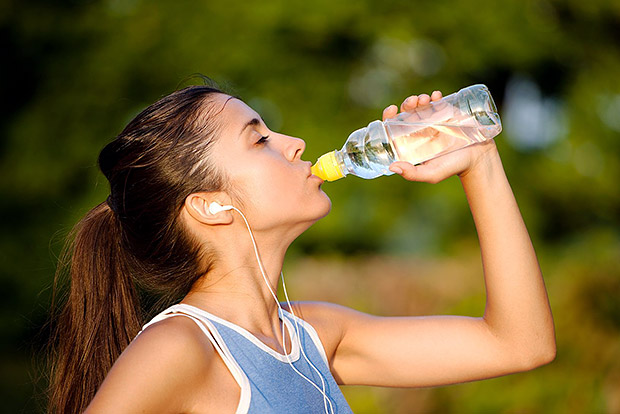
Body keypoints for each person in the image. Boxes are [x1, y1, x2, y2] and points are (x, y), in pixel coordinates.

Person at [47, 84, 556, 414]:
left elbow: (521, 343)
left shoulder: (316, 338)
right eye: (259, 139)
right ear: (210, 205)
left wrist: (479, 162)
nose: (293, 142)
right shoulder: (182, 348)